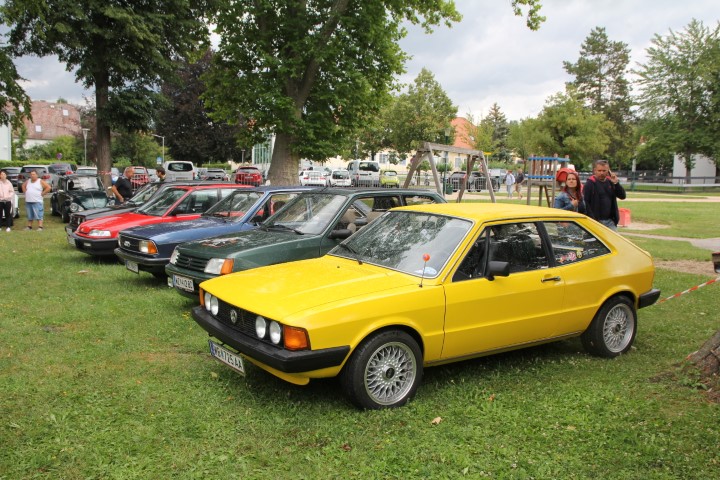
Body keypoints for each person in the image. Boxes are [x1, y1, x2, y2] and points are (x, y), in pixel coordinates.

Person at [583, 159, 626, 230]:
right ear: (595, 170)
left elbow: (622, 196)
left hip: (610, 221)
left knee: (612, 240)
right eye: (599, 170)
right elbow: (586, 203)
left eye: (604, 170)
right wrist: (592, 219)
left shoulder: (611, 182)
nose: (601, 173)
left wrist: (616, 183)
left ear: (608, 171)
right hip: (596, 221)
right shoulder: (590, 184)